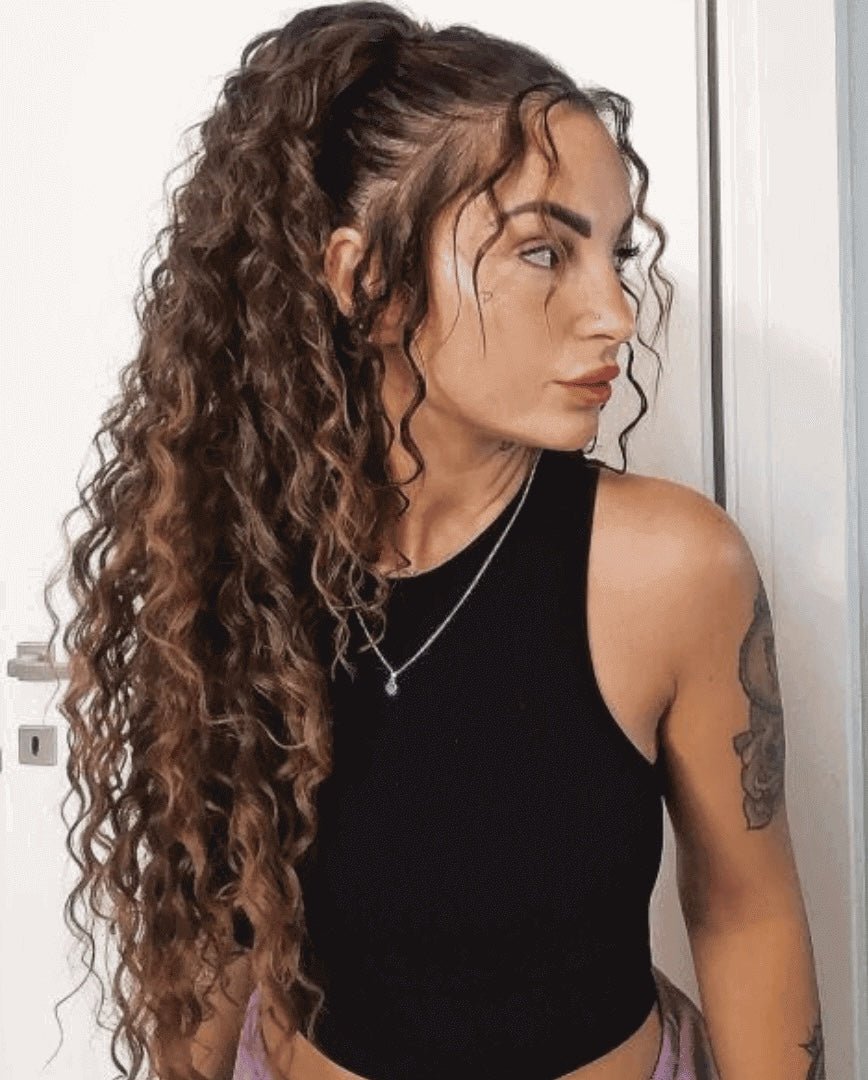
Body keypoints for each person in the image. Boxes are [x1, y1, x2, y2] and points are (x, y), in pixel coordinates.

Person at [46, 3, 824, 1080]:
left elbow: (746, 914)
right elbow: (217, 922)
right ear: (365, 279)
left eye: (615, 255)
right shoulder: (238, 564)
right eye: (544, 251)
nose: (616, 313)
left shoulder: (672, 570)